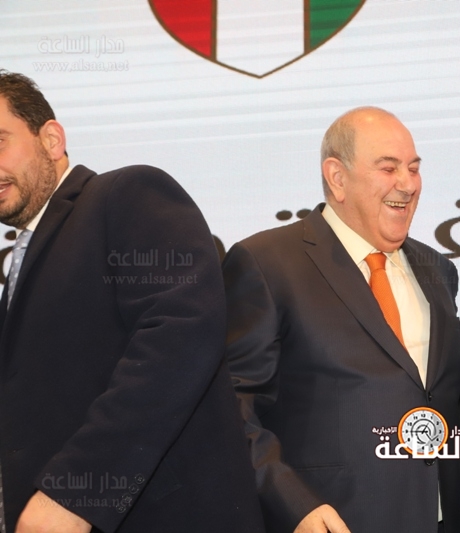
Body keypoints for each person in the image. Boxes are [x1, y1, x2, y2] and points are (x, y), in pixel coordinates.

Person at [0, 71, 264, 533]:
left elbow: (180, 338)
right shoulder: (27, 253)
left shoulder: (126, 194)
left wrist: (77, 492)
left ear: (52, 139)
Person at [223, 107, 460, 533]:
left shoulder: (437, 269)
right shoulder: (267, 263)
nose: (408, 184)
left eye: (413, 169)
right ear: (337, 177)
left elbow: (452, 396)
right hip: (334, 522)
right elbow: (231, 407)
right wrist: (294, 504)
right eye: (388, 168)